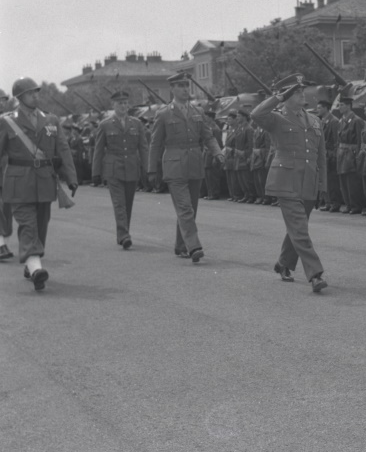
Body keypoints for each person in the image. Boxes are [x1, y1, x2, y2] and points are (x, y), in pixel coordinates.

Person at [251, 73, 328, 293]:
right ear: (286, 95)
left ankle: (284, 263)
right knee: (300, 230)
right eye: (296, 91)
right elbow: (256, 114)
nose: (302, 93)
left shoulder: (315, 120)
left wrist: (322, 185)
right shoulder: (276, 118)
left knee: (297, 228)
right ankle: (315, 274)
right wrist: (278, 97)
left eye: (302, 90)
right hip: (286, 181)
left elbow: (321, 156)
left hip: (309, 181)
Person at [0, 77, 77, 290]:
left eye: (36, 92)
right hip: (18, 183)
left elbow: (62, 149)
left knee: (41, 225)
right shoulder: (6, 122)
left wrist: (71, 178)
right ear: (19, 97)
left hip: (44, 182)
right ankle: (35, 268)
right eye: (30, 93)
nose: (35, 96)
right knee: (28, 225)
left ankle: (31, 262)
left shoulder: (51, 120)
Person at [148, 73, 223, 262]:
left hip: (195, 164)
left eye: (186, 86)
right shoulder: (163, 114)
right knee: (185, 208)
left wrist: (218, 152)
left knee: (190, 209)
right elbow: (155, 144)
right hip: (174, 166)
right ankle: (193, 246)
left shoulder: (197, 111)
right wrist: (151, 169)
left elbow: (208, 136)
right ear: (172, 89)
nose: (184, 89)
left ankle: (181, 245)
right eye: (180, 86)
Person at [91, 90, 148, 249]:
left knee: (128, 203)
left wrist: (148, 169)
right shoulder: (105, 124)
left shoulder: (136, 123)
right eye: (120, 103)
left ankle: (122, 233)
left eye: (125, 103)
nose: (123, 106)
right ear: (113, 105)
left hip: (131, 167)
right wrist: (95, 172)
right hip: (113, 169)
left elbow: (143, 148)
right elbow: (98, 150)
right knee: (119, 203)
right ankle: (124, 235)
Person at [336, 97, 365, 214]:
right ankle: (348, 204)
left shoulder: (357, 120)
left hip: (351, 154)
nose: (339, 107)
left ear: (348, 106)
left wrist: (358, 156)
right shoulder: (341, 120)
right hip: (342, 154)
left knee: (352, 182)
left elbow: (360, 140)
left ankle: (355, 205)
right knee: (343, 181)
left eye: (341, 105)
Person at [316, 99, 342, 212]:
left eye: (319, 108)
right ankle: (327, 202)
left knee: (332, 180)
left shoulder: (334, 121)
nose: (317, 110)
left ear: (326, 108)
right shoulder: (322, 121)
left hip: (330, 155)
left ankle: (335, 203)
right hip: (323, 154)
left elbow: (337, 140)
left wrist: (335, 155)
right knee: (324, 180)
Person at [0, 89, 14, 260]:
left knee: (6, 208)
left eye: (3, 100)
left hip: (7, 169)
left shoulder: (9, 120)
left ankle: (3, 242)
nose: (2, 103)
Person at [234, 109, 256, 203]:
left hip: (244, 156)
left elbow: (250, 144)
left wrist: (248, 155)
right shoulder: (240, 128)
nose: (237, 118)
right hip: (238, 156)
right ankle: (246, 194)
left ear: (244, 117)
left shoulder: (249, 129)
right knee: (241, 178)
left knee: (247, 178)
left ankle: (251, 195)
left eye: (239, 116)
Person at [202, 109, 224, 200]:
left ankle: (214, 193)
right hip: (207, 154)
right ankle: (210, 193)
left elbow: (218, 143)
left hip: (212, 155)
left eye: (206, 117)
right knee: (208, 175)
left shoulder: (215, 129)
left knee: (213, 175)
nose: (205, 118)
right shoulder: (208, 127)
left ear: (211, 118)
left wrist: (216, 156)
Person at [251, 121, 272, 204]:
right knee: (257, 179)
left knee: (262, 180)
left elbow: (268, 146)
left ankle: (266, 197)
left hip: (262, 157)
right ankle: (260, 196)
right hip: (256, 157)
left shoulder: (266, 131)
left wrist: (266, 159)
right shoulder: (257, 130)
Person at [222, 111, 241, 201]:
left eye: (230, 119)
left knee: (234, 177)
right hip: (228, 155)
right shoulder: (230, 130)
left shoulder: (238, 130)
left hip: (234, 155)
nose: (228, 121)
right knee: (229, 176)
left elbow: (238, 144)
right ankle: (232, 194)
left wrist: (232, 150)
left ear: (235, 120)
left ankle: (237, 195)